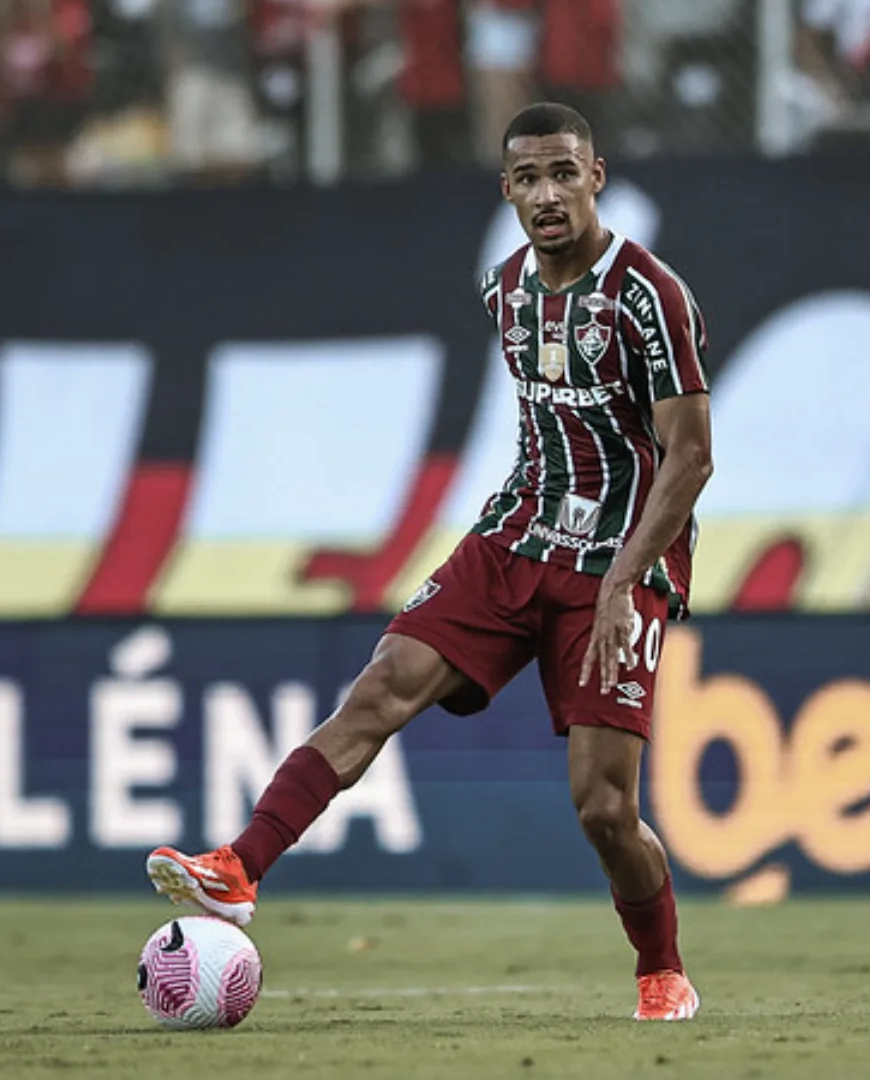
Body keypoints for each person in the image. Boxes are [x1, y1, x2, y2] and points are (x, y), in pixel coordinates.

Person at [146, 102, 711, 1023]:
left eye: (564, 173)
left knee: (605, 809)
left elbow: (689, 458)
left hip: (617, 565)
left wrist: (624, 582)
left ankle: (663, 970)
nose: (548, 195)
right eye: (528, 178)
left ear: (596, 178)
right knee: (381, 685)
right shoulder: (504, 288)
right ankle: (239, 867)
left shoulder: (650, 295)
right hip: (514, 538)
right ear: (507, 190)